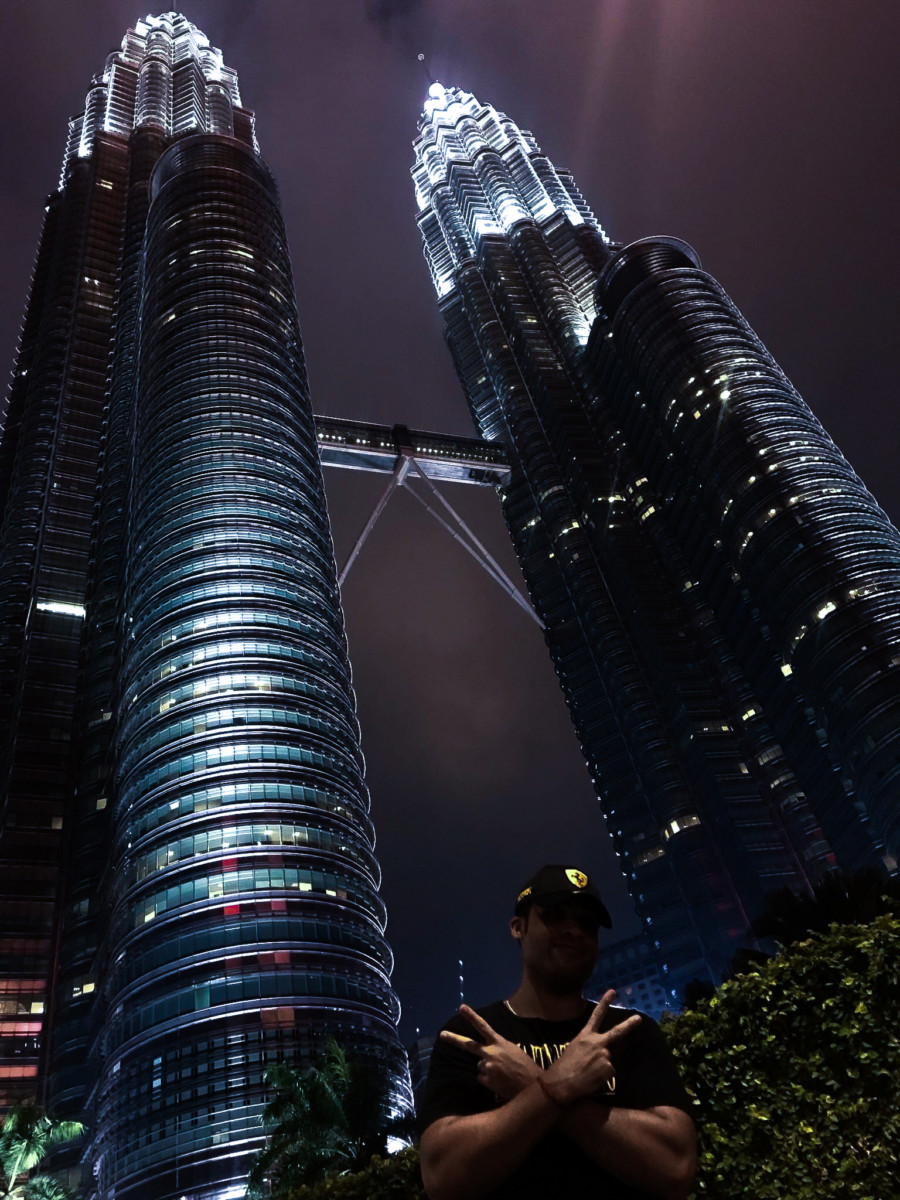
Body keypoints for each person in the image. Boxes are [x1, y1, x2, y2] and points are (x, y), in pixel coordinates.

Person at [418, 865, 697, 1200]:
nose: (574, 930)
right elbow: (441, 1177)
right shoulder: (469, 1034)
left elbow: (676, 1166)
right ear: (517, 927)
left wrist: (535, 1084)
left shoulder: (631, 1032)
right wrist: (554, 1087)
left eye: (587, 923)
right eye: (555, 915)